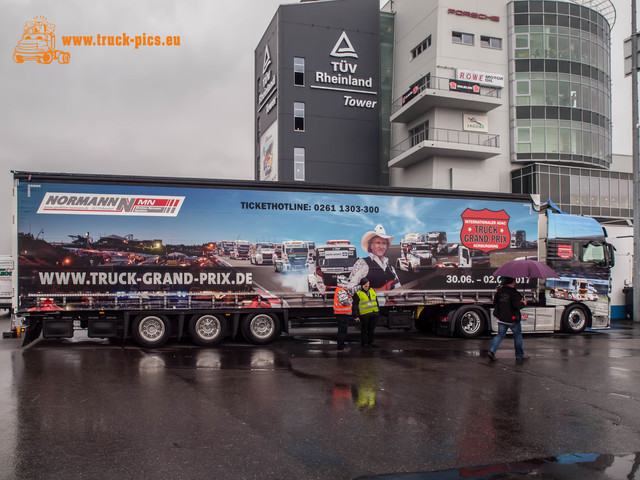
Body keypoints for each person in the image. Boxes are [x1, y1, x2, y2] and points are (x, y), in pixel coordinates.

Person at [345, 224, 400, 292]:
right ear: (371, 246)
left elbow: (398, 290)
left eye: (384, 243)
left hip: (389, 302)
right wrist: (372, 291)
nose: (381, 246)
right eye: (378, 243)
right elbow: (350, 287)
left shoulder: (391, 268)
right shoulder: (362, 263)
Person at [487, 277, 529, 361]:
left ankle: (492, 351)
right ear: (513, 282)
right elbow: (517, 306)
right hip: (512, 319)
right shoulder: (515, 293)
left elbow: (495, 303)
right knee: (517, 336)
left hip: (501, 318)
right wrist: (523, 303)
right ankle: (519, 355)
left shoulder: (500, 291)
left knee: (500, 335)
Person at [353, 277, 379, 349]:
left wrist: (377, 311)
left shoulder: (372, 291)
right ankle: (364, 343)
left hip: (373, 314)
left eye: (368, 285)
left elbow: (376, 302)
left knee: (371, 330)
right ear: (361, 285)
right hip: (364, 315)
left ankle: (370, 343)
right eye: (365, 286)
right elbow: (355, 306)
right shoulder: (358, 294)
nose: (367, 287)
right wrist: (356, 316)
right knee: (364, 329)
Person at [333, 284, 353, 353]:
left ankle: (341, 345)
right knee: (342, 331)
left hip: (341, 314)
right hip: (342, 314)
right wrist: (350, 298)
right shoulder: (341, 291)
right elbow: (345, 302)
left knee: (341, 330)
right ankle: (340, 347)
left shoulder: (340, 290)